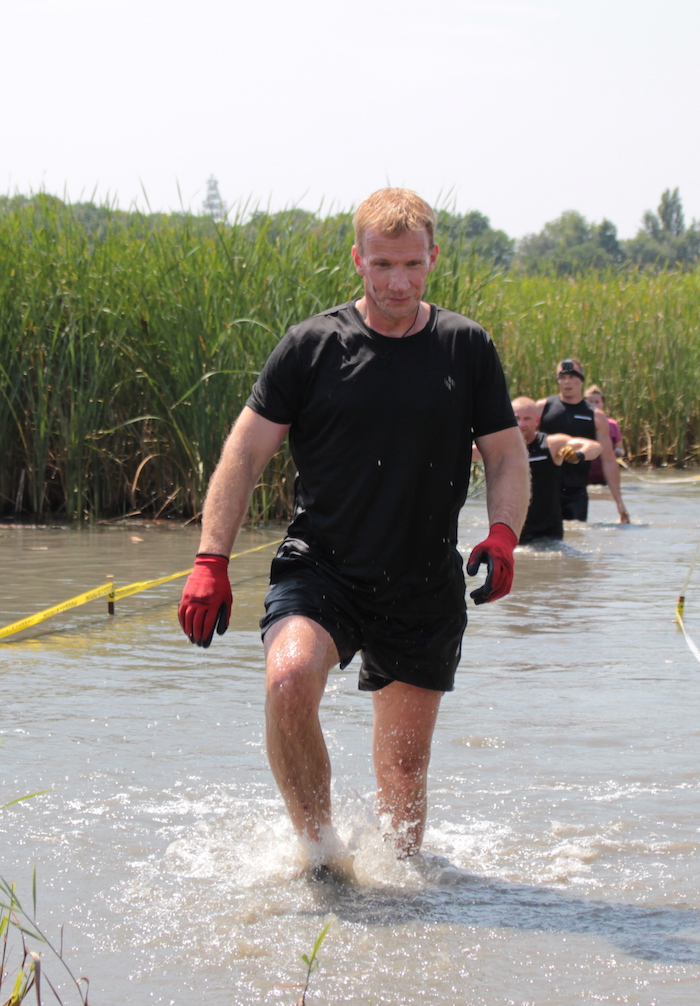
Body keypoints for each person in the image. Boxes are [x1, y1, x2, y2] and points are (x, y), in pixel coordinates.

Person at [178, 188, 529, 870]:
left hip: (422, 580)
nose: (398, 282)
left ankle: (399, 896)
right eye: (382, 265)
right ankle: (319, 856)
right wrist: (210, 560)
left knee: (403, 777)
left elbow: (506, 454)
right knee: (287, 681)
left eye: (412, 265)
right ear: (358, 259)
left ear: (433, 258)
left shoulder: (465, 346)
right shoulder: (311, 346)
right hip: (323, 567)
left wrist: (503, 533)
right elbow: (244, 453)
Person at [537, 359, 630, 524]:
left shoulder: (595, 415)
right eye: (562, 377)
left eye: (572, 377)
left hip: (576, 491)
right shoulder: (542, 407)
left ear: (581, 380)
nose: (567, 382)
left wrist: (619, 502)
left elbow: (608, 460)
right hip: (544, 488)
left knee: (576, 534)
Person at [511, 397, 602, 543]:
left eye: (527, 419)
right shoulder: (503, 446)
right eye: (517, 418)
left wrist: (578, 455)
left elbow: (595, 447)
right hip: (514, 530)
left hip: (548, 532)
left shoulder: (552, 444)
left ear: (537, 421)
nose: (521, 424)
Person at [584, 384, 625, 485]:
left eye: (597, 402)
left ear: (603, 403)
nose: (594, 405)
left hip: (605, 477)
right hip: (584, 476)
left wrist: (617, 452)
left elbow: (620, 450)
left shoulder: (612, 425)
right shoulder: (579, 423)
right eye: (590, 402)